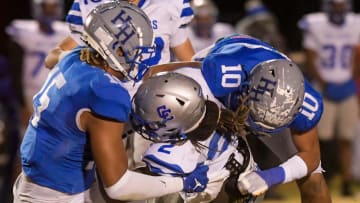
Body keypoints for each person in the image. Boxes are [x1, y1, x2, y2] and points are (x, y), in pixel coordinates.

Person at [12, 2, 209, 202]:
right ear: (117, 50)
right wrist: (182, 182)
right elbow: (119, 186)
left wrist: (197, 65)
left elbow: (58, 57)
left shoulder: (74, 59)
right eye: (136, 49)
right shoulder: (105, 94)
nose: (141, 57)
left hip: (37, 182)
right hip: (57, 196)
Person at [193, 34, 332, 203]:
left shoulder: (306, 102)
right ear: (246, 89)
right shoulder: (219, 74)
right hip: (219, 105)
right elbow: (176, 75)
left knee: (314, 181)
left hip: (248, 103)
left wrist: (269, 177)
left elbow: (311, 157)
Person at [131, 72, 259, 203]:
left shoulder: (178, 153)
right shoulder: (208, 109)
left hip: (229, 191)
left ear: (175, 124)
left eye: (153, 123)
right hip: (248, 174)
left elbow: (132, 186)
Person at [298, 0, 360, 196]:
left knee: (346, 138)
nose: (339, 10)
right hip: (323, 89)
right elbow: (310, 58)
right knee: (320, 138)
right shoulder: (315, 24)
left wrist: (352, 80)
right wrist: (324, 83)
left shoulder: (354, 23)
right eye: (335, 5)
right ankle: (322, 175)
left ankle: (346, 180)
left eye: (342, 6)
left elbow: (357, 55)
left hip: (346, 87)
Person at [45, 0, 195, 70]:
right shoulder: (91, 5)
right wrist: (75, 57)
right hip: (104, 101)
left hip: (153, 103)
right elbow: (51, 59)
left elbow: (189, 61)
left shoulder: (170, 4)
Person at [5, 0, 69, 126]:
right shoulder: (23, 31)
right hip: (30, 90)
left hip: (58, 91)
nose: (49, 11)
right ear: (37, 7)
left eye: (53, 7)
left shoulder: (66, 32)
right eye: (45, 7)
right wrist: (21, 103)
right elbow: (14, 68)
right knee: (28, 133)